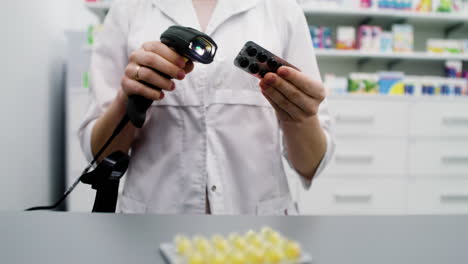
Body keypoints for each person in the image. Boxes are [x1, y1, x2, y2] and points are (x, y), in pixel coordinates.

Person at [79, 0, 335, 215]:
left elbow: (311, 164)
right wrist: (129, 95)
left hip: (257, 230)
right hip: (152, 222)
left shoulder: (281, 8)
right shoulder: (130, 7)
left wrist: (299, 118)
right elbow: (101, 155)